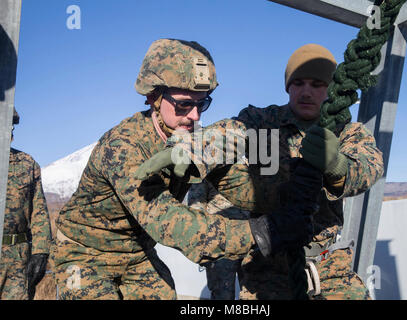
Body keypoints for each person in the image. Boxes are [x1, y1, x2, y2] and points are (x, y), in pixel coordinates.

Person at [51, 38, 321, 300]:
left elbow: (242, 188)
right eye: (183, 104)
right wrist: (261, 232)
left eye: (201, 104)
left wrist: (294, 194)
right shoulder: (123, 147)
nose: (194, 116)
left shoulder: (192, 143)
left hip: (137, 254)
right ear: (153, 97)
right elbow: (174, 226)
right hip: (84, 255)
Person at [153, 43, 384, 299]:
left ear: (330, 88)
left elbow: (369, 166)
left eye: (317, 85)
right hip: (266, 272)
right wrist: (191, 148)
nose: (306, 92)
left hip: (328, 267)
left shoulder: (346, 132)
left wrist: (337, 165)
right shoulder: (264, 122)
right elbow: (229, 132)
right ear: (288, 87)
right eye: (298, 84)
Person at [0, 107, 52, 300]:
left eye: (10, 126)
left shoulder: (27, 164)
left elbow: (39, 212)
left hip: (17, 261)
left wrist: (41, 252)